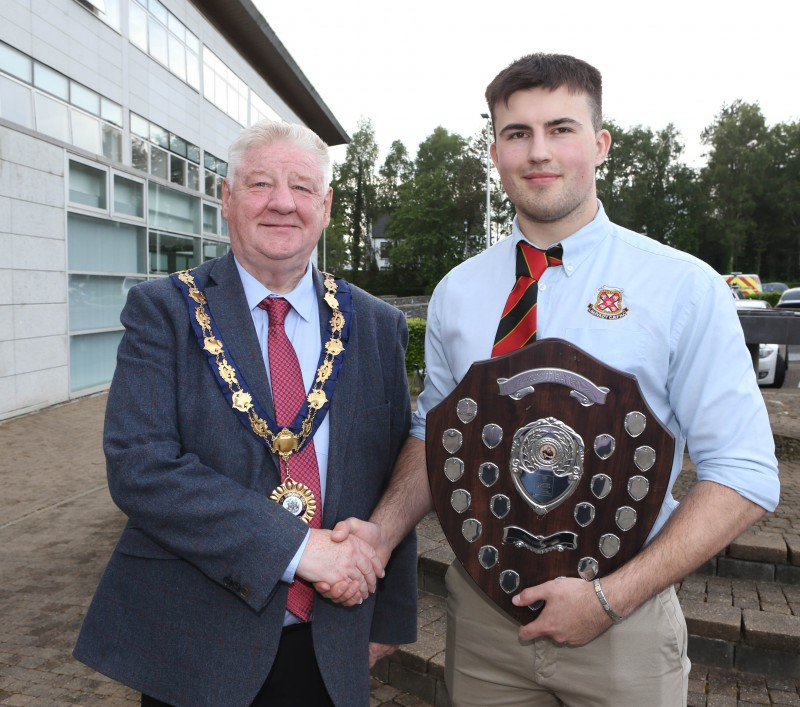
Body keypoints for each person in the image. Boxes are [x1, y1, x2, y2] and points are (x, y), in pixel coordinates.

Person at [322, 53, 780, 705]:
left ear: (600, 144)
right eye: (517, 133)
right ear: (495, 152)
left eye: (560, 128)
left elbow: (744, 473)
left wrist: (607, 598)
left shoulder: (679, 287)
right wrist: (379, 532)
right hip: (482, 624)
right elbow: (437, 435)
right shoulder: (459, 291)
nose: (539, 152)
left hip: (622, 626)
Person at [73, 120, 417, 707]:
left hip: (332, 640)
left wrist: (391, 618)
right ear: (227, 200)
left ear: (326, 206)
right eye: (260, 184)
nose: (283, 202)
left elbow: (393, 470)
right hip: (197, 643)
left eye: (303, 187)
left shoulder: (377, 325)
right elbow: (141, 467)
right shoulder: (164, 311)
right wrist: (298, 549)